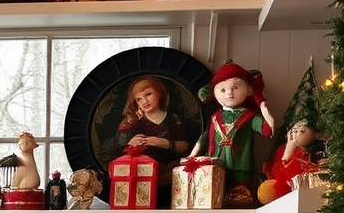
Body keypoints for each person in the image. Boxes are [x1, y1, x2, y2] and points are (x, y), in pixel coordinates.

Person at [190, 61, 274, 205]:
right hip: (216, 167)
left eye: (235, 88)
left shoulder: (250, 116)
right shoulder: (215, 117)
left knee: (241, 198)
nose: (229, 93)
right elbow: (205, 137)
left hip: (242, 166)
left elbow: (267, 131)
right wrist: (193, 154)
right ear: (214, 93)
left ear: (248, 90)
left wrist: (265, 112)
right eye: (223, 90)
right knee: (215, 195)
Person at [113, 75, 195, 201]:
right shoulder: (133, 122)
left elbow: (185, 145)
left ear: (160, 94)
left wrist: (165, 143)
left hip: (168, 171)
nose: (144, 101)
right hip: (142, 172)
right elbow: (118, 151)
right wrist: (130, 144)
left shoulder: (172, 118)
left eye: (148, 94)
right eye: (139, 99)